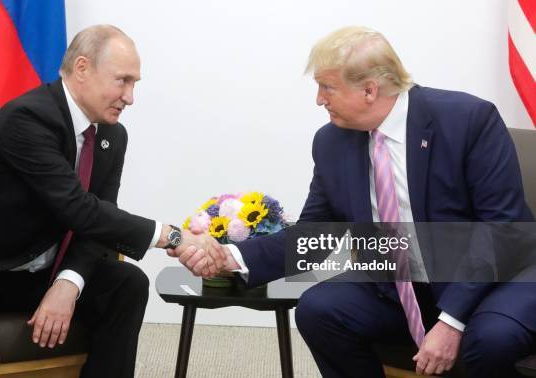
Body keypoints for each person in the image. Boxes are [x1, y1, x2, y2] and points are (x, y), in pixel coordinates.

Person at [171, 26, 536, 377]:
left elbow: (501, 230)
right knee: (319, 311)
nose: (319, 100)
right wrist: (230, 257)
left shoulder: (467, 120)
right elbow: (316, 234)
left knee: (490, 340)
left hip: (497, 280)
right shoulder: (332, 142)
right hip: (403, 284)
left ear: (369, 90)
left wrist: (451, 320)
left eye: (326, 87)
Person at [0, 24, 225, 378]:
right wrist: (174, 236)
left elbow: (99, 222)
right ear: (82, 68)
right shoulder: (28, 119)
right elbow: (79, 209)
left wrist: (68, 282)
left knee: (127, 285)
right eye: (122, 81)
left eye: (134, 84)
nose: (130, 97)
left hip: (39, 270)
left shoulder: (112, 134)